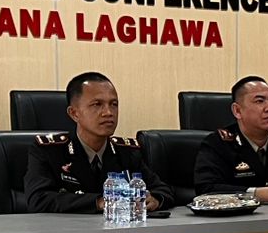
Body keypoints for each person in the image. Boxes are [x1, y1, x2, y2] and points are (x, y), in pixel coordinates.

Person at [24, 71, 176, 214]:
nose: (108, 112)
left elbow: (163, 189)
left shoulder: (127, 152)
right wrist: (99, 202)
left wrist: (155, 200)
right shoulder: (49, 150)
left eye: (114, 104)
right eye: (97, 104)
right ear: (74, 113)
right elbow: (38, 200)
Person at [194, 76, 268, 201]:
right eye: (259, 101)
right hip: (239, 213)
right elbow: (206, 189)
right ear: (237, 111)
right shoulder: (218, 143)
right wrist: (262, 194)